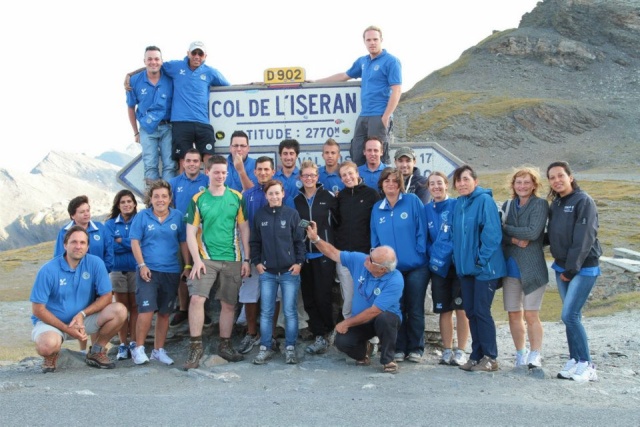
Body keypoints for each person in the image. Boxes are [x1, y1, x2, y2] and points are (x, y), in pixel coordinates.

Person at [306, 222, 403, 373]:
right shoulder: (361, 260)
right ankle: (363, 353)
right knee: (342, 341)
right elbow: (333, 253)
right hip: (361, 321)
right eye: (370, 254)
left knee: (386, 319)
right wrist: (315, 239)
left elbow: (374, 312)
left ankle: (388, 360)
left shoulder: (395, 279)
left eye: (371, 260)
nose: (367, 259)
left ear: (383, 269)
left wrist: (346, 323)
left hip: (382, 319)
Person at [182, 155, 251, 370]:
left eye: (223, 172)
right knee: (196, 299)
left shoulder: (237, 197)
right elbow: (190, 232)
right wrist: (196, 260)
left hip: (233, 259)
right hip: (206, 259)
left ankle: (225, 345)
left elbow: (244, 229)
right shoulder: (198, 199)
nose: (220, 176)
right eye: (216, 172)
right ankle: (195, 348)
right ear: (207, 173)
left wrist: (246, 258)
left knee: (228, 304)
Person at [30, 226, 127, 373]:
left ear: (88, 247)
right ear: (65, 245)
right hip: (53, 323)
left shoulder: (95, 263)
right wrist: (66, 328)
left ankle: (97, 350)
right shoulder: (48, 270)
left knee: (119, 310)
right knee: (46, 346)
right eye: (74, 242)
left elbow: (106, 297)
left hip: (82, 320)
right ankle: (52, 354)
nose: (78, 246)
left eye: (82, 243)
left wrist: (82, 314)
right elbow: (38, 309)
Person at [126, 41, 230, 172]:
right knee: (182, 162)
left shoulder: (211, 72)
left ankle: (209, 189)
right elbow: (154, 65)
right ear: (188, 53)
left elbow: (228, 88)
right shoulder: (175, 66)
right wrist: (129, 75)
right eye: (194, 53)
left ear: (205, 56)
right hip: (180, 122)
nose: (197, 56)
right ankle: (183, 190)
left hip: (202, 121)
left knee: (209, 159)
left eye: (200, 53)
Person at [311, 25, 401, 165]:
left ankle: (382, 186)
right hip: (364, 115)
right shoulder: (362, 61)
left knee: (378, 158)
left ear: (381, 40)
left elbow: (397, 90)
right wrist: (316, 81)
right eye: (369, 40)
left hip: (379, 114)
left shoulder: (391, 61)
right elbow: (344, 75)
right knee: (357, 153)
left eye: (375, 39)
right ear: (364, 41)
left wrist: (386, 116)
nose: (372, 42)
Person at [546, 161, 601, 383]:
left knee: (570, 315)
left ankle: (587, 364)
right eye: (552, 177)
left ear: (570, 176)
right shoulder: (557, 204)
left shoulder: (583, 201)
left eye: (560, 175)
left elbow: (584, 237)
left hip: (583, 267)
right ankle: (575, 360)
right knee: (570, 318)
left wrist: (571, 269)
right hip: (562, 265)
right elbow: (552, 235)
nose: (557, 180)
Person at [371, 168, 429, 363]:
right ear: (382, 184)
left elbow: (422, 229)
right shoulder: (377, 208)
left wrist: (420, 254)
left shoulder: (412, 201)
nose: (390, 184)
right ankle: (399, 347)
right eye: (386, 181)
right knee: (396, 308)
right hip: (391, 270)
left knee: (414, 307)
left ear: (400, 184)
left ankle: (416, 348)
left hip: (415, 266)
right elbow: (375, 239)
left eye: (395, 181)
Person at [451, 165, 506, 372]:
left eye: (465, 179)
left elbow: (492, 235)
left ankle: (490, 357)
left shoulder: (484, 201)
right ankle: (476, 355)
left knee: (482, 311)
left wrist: (480, 261)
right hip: (465, 270)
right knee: (471, 311)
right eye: (458, 180)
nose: (462, 184)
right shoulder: (459, 204)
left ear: (475, 180)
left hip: (484, 269)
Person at [129, 180, 190, 366]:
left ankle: (158, 350)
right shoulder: (142, 217)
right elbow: (134, 242)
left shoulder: (178, 216)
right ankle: (139, 349)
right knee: (146, 311)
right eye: (156, 196)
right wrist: (142, 265)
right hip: (148, 271)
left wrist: (187, 265)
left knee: (164, 313)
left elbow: (183, 243)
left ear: (170, 198)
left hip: (171, 271)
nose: (160, 200)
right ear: (151, 199)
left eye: (164, 196)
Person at [250, 180, 306, 365]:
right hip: (268, 272)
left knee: (290, 311)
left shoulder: (292, 214)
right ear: (265, 196)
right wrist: (257, 262)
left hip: (289, 272)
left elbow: (299, 241)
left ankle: (290, 347)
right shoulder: (260, 215)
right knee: (266, 311)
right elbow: (255, 242)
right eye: (270, 193)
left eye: (277, 193)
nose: (274, 196)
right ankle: (265, 347)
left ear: (283, 194)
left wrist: (299, 263)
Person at [501, 166, 549, 368]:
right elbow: (499, 233)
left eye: (527, 182)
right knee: (513, 313)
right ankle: (520, 352)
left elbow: (533, 232)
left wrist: (506, 229)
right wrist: (512, 237)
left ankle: (535, 353)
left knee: (531, 314)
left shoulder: (540, 205)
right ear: (513, 185)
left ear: (534, 185)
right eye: (519, 182)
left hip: (533, 268)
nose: (522, 186)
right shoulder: (508, 205)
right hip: (510, 268)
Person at [54, 195, 114, 353]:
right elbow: (59, 257)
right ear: (73, 215)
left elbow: (109, 252)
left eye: (87, 210)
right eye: (81, 212)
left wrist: (103, 273)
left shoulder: (100, 228)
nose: (86, 214)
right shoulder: (64, 232)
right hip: (76, 281)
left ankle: (96, 349)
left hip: (99, 280)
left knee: (98, 312)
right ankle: (82, 349)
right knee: (80, 312)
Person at [424, 172, 469, 366]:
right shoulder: (425, 209)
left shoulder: (457, 205)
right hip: (438, 267)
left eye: (439, 183)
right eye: (432, 184)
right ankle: (447, 349)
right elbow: (424, 237)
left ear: (446, 185)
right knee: (443, 309)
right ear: (428, 188)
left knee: (461, 308)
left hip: (457, 265)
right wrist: (432, 254)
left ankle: (461, 351)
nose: (436, 187)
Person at [293, 161, 338, 355]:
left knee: (323, 296)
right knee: (309, 297)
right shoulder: (296, 200)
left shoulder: (328, 197)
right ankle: (318, 332)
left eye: (312, 175)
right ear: (300, 178)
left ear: (317, 177)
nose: (309, 178)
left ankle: (326, 332)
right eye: (306, 176)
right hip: (305, 255)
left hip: (324, 254)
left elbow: (337, 223)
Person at [236, 156, 278, 355]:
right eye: (259, 169)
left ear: (273, 171)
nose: (263, 172)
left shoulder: (279, 192)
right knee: (250, 292)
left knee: (276, 293)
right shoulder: (247, 195)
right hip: (252, 250)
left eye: (266, 169)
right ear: (254, 172)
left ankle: (271, 335)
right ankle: (251, 333)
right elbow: (241, 225)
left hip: (276, 251)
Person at [167, 148, 210, 329]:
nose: (192, 164)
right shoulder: (174, 183)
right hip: (181, 236)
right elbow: (169, 208)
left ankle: (201, 309)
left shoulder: (207, 181)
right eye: (189, 161)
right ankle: (183, 309)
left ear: (200, 163)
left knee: (204, 272)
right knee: (183, 272)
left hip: (204, 236)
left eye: (195, 161)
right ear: (183, 163)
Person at [334, 161, 381, 321]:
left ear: (357, 173)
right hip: (344, 256)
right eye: (344, 175)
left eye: (350, 173)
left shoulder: (372, 195)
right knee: (348, 298)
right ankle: (349, 333)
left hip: (365, 256)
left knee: (367, 297)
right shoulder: (340, 197)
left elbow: (377, 225)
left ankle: (371, 339)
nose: (348, 177)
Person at [126, 45, 176, 184]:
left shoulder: (170, 77)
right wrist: (136, 133)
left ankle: (168, 201)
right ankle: (152, 201)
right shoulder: (134, 81)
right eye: (149, 59)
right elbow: (131, 107)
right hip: (147, 128)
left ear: (161, 61)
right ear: (144, 61)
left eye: (156, 59)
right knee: (150, 166)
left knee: (170, 165)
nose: (153, 62)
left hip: (168, 127)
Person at [104, 190, 139, 361]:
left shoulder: (139, 220)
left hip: (136, 269)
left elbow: (141, 244)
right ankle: (123, 344)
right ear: (118, 205)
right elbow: (111, 247)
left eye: (129, 201)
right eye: (123, 202)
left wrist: (122, 241)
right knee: (122, 309)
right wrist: (130, 243)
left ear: (134, 204)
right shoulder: (110, 224)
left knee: (135, 307)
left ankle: (134, 342)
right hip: (117, 271)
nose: (126, 204)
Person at [274, 139, 302, 208]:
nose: (288, 157)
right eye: (285, 153)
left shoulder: (304, 177)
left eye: (291, 153)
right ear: (280, 155)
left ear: (296, 155)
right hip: (279, 217)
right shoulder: (273, 178)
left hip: (299, 217)